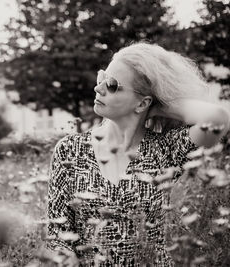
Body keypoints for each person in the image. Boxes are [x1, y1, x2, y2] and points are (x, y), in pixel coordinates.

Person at [45, 42, 230, 266]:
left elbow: (218, 119)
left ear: (142, 102)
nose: (98, 88)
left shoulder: (166, 150)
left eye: (112, 85)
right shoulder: (70, 149)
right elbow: (57, 235)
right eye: (101, 77)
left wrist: (162, 105)